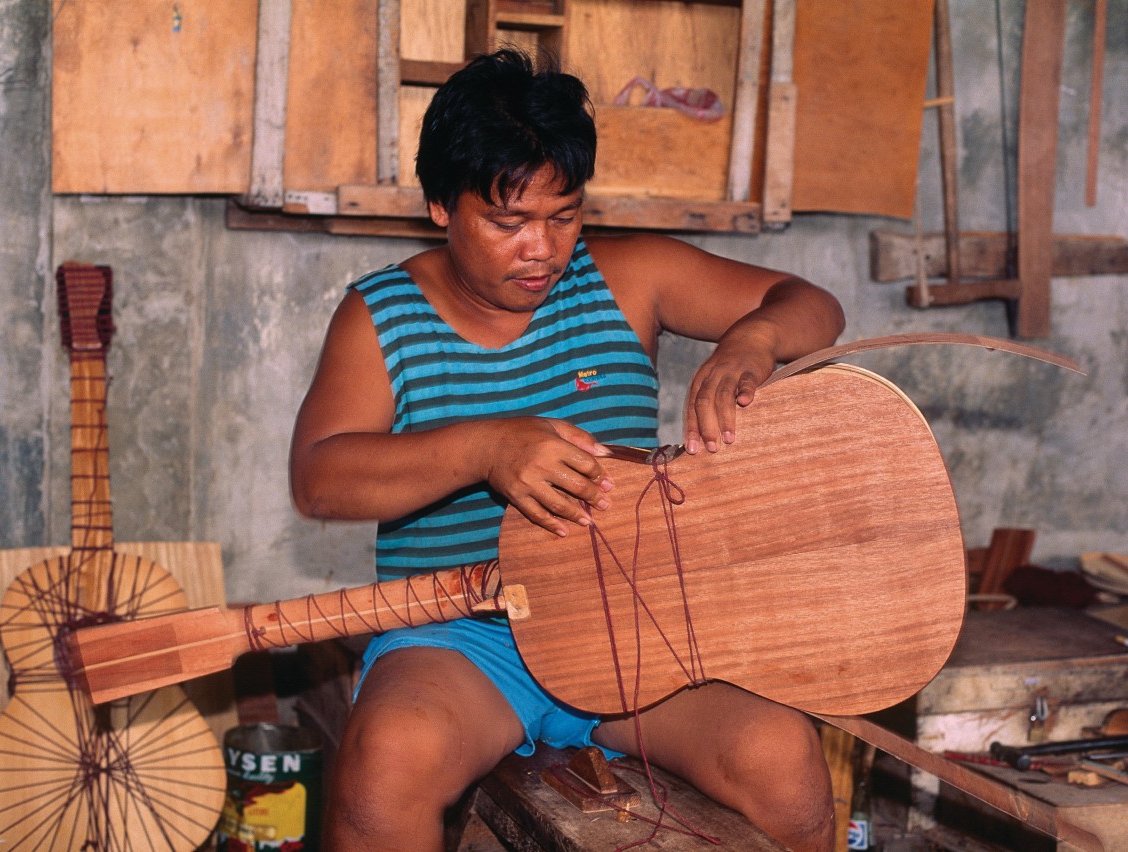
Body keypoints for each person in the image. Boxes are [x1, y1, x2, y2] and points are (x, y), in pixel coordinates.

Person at [289, 48, 846, 852]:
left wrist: (755, 338)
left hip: (636, 622)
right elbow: (319, 480)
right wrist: (484, 447)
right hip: (466, 637)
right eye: (508, 222)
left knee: (782, 759)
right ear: (442, 206)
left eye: (564, 215)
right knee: (386, 763)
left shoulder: (631, 277)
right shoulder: (381, 318)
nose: (541, 250)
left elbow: (811, 307)